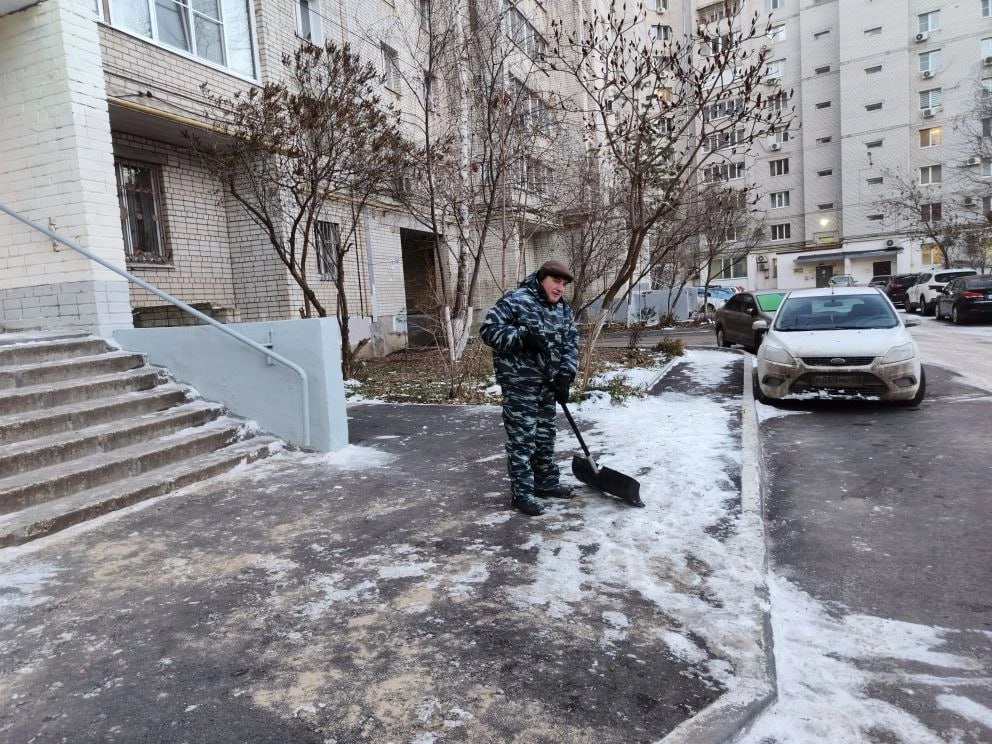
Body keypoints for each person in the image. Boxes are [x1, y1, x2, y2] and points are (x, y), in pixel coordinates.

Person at [480, 260, 580, 517]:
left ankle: (545, 483)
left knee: (545, 437)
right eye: (556, 282)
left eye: (564, 284)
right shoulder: (516, 300)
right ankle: (522, 494)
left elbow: (571, 342)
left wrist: (566, 375)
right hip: (520, 384)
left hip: (548, 384)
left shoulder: (563, 310)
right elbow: (488, 330)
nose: (560, 289)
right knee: (523, 441)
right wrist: (522, 336)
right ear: (543, 278)